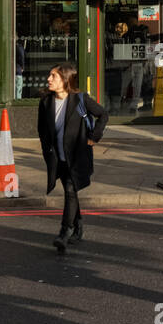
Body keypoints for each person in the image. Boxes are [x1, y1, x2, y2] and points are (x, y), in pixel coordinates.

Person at [37, 62, 107, 253]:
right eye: (50, 75)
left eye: (54, 76)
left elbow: (103, 115)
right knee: (71, 192)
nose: (49, 79)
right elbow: (42, 130)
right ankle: (78, 226)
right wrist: (47, 152)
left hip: (77, 156)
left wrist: (94, 138)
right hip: (57, 157)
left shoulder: (80, 99)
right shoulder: (45, 102)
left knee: (70, 189)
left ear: (65, 80)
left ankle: (64, 232)